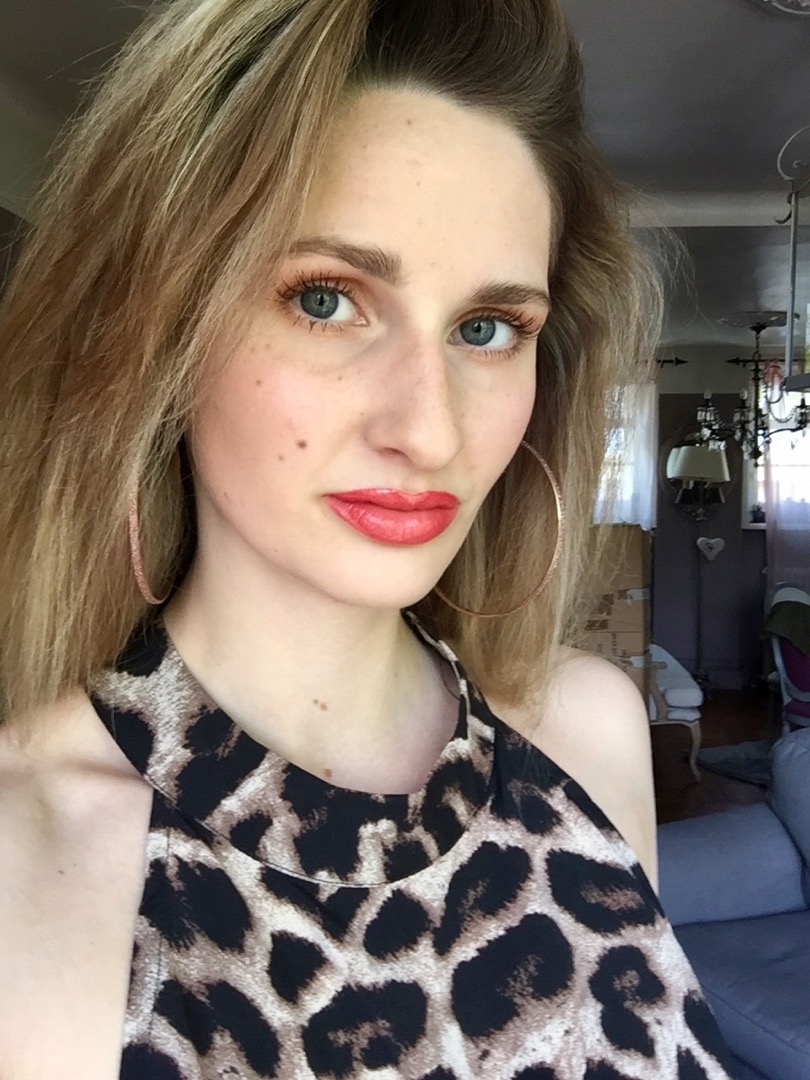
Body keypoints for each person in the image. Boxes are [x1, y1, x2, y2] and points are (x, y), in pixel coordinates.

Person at [0, 1, 732, 1077]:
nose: (430, 431)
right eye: (326, 299)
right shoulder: (31, 863)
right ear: (160, 325)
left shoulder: (588, 735)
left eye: (487, 329)